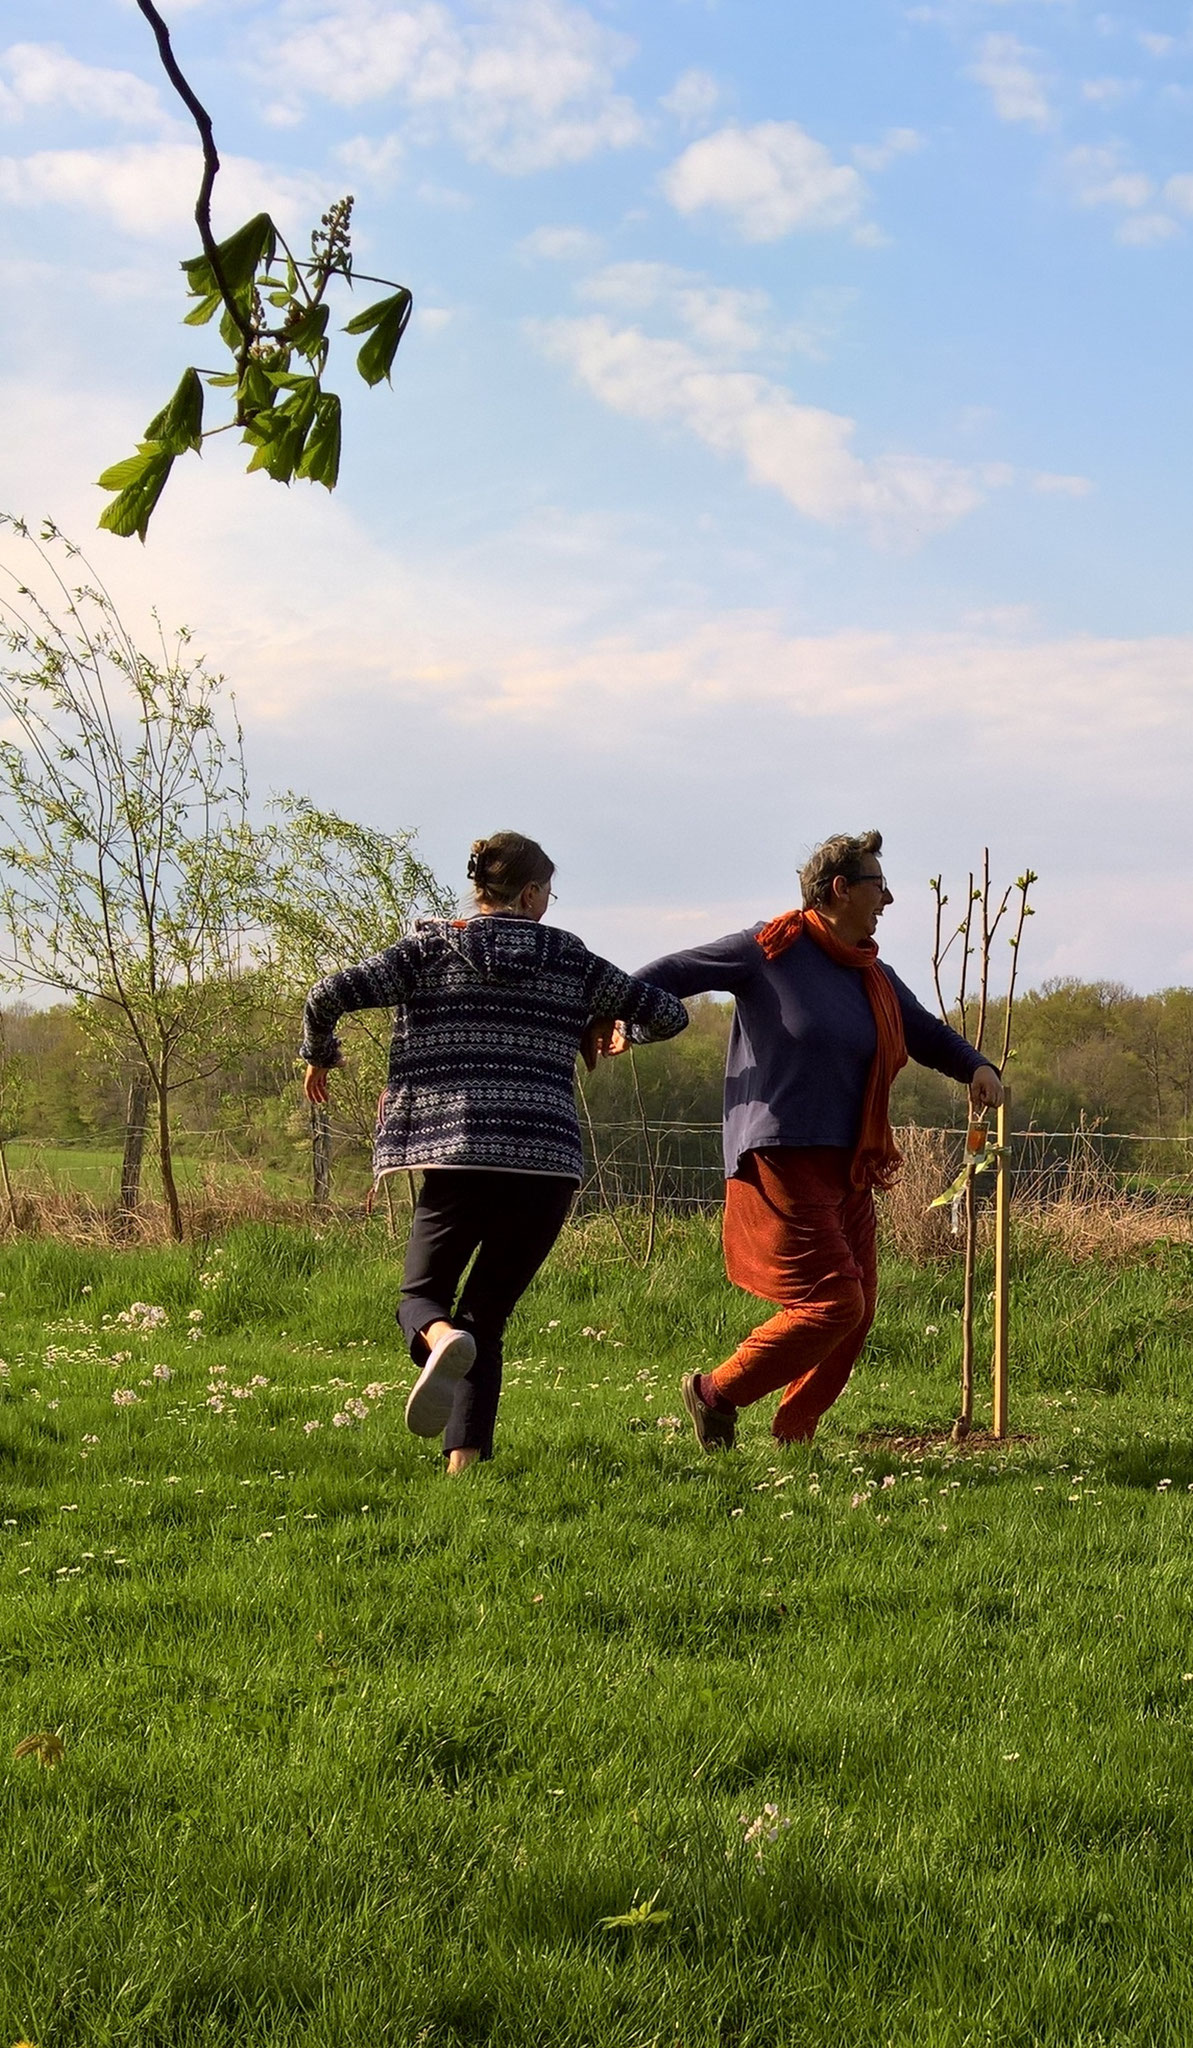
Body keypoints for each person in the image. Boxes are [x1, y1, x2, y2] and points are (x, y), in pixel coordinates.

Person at [300, 832, 687, 1473]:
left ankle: (441, 1340)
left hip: (457, 1153)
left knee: (421, 1299)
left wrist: (319, 1055)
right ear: (531, 893)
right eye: (549, 893)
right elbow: (669, 1014)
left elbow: (326, 996)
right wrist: (618, 1027)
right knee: (488, 1319)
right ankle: (465, 1464)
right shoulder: (571, 959)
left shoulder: (428, 949)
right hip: (546, 1162)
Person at [621, 831, 1003, 1450]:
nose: (890, 898)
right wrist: (618, 1011)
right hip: (784, 1153)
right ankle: (715, 1394)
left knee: (858, 1310)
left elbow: (923, 1031)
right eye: (879, 885)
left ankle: (794, 1432)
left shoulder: (870, 974)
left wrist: (977, 1065)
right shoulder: (768, 948)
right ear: (841, 889)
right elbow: (676, 970)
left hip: (849, 1161)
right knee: (835, 1303)